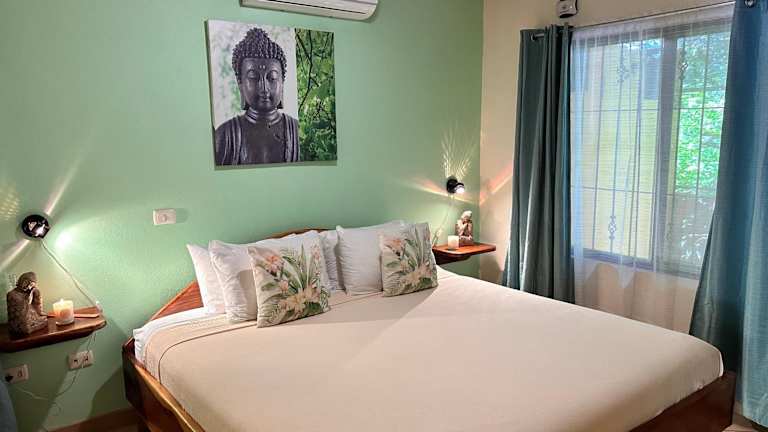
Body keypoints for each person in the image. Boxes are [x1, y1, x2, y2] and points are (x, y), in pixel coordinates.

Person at [214, 28, 299, 165]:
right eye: (254, 78)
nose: (264, 88)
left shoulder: (297, 130)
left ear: (282, 82)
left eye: (272, 78)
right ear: (240, 83)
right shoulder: (225, 135)